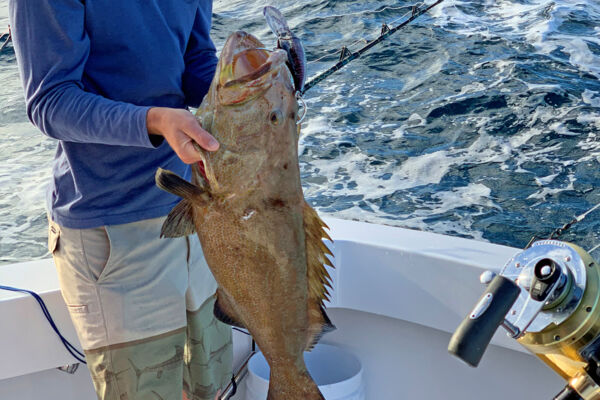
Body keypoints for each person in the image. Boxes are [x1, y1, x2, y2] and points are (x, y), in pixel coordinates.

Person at [8, 1, 232, 399]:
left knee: (209, 387)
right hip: (112, 233)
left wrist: (252, 84)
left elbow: (195, 59)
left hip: (196, 212)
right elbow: (50, 101)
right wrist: (155, 121)